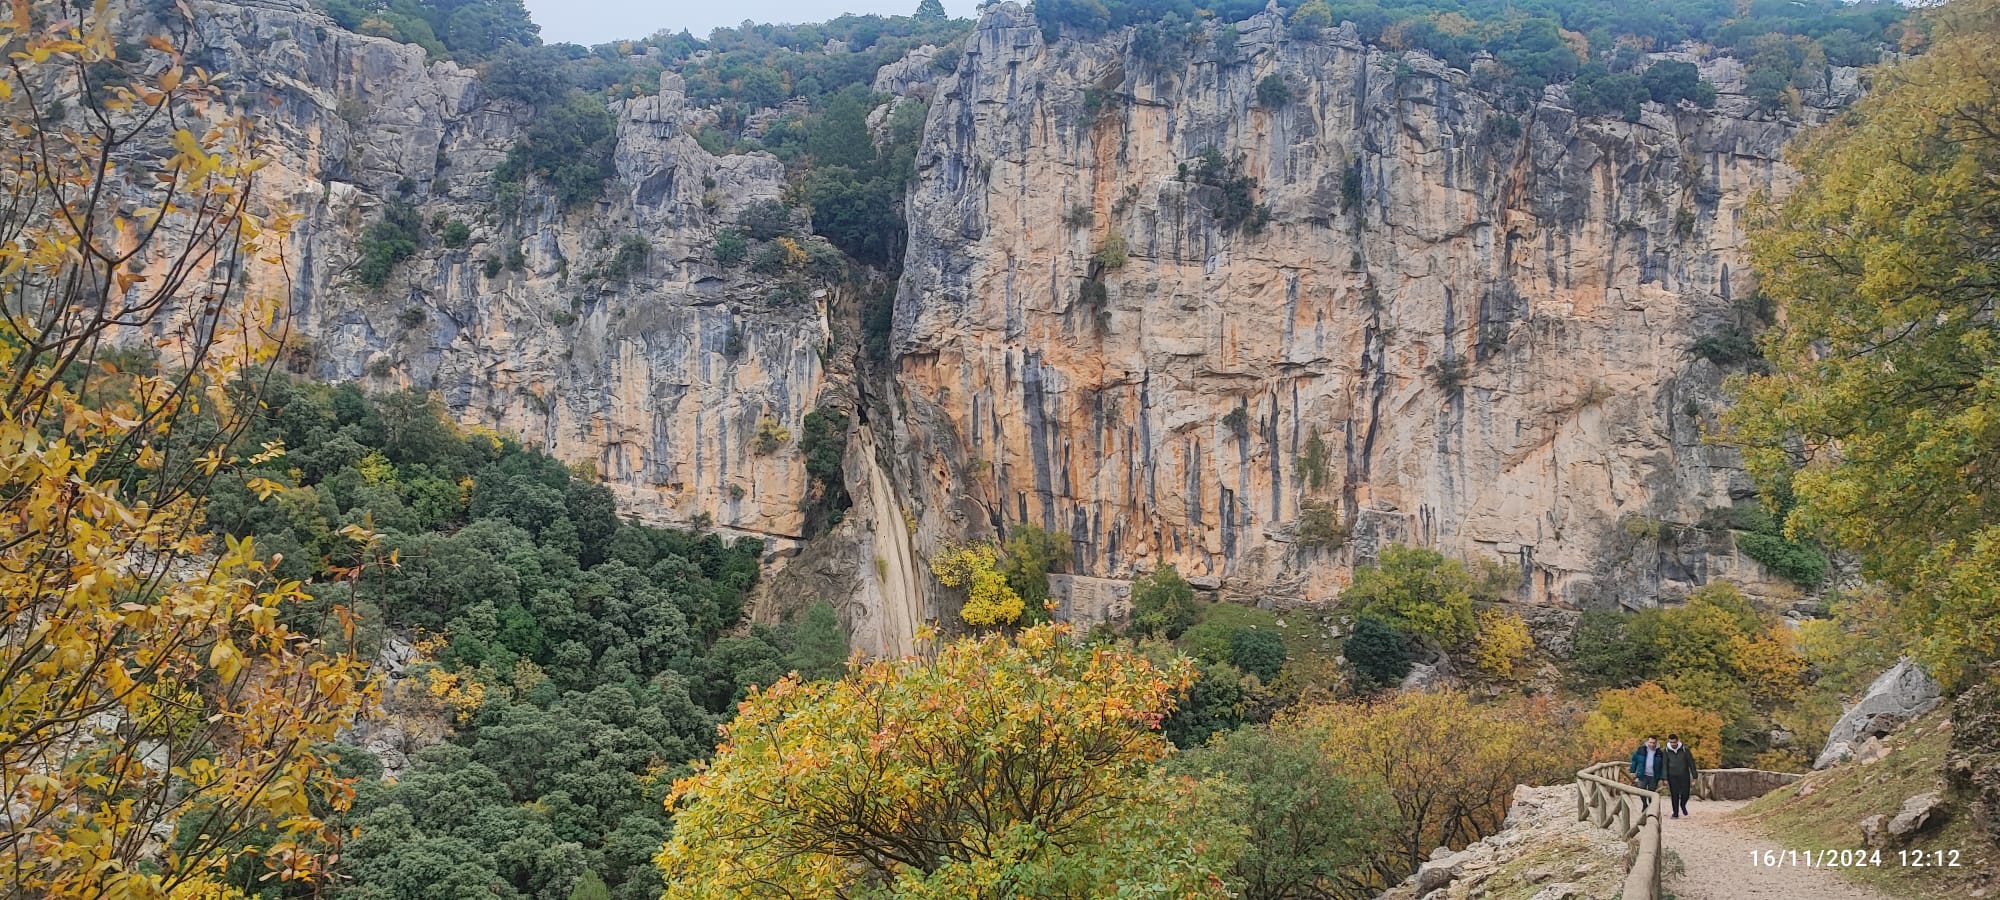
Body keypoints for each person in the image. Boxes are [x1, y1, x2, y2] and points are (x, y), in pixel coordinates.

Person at [1661, 733, 1699, 819]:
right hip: (1672, 776)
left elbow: (1691, 763)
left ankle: (1683, 804)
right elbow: (1664, 765)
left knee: (1686, 793)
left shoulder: (1685, 750)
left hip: (1684, 775)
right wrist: (1664, 778)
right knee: (1674, 794)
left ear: (1677, 741)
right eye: (1671, 742)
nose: (1673, 744)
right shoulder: (1666, 751)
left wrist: (1694, 776)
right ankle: (1675, 813)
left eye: (1674, 742)